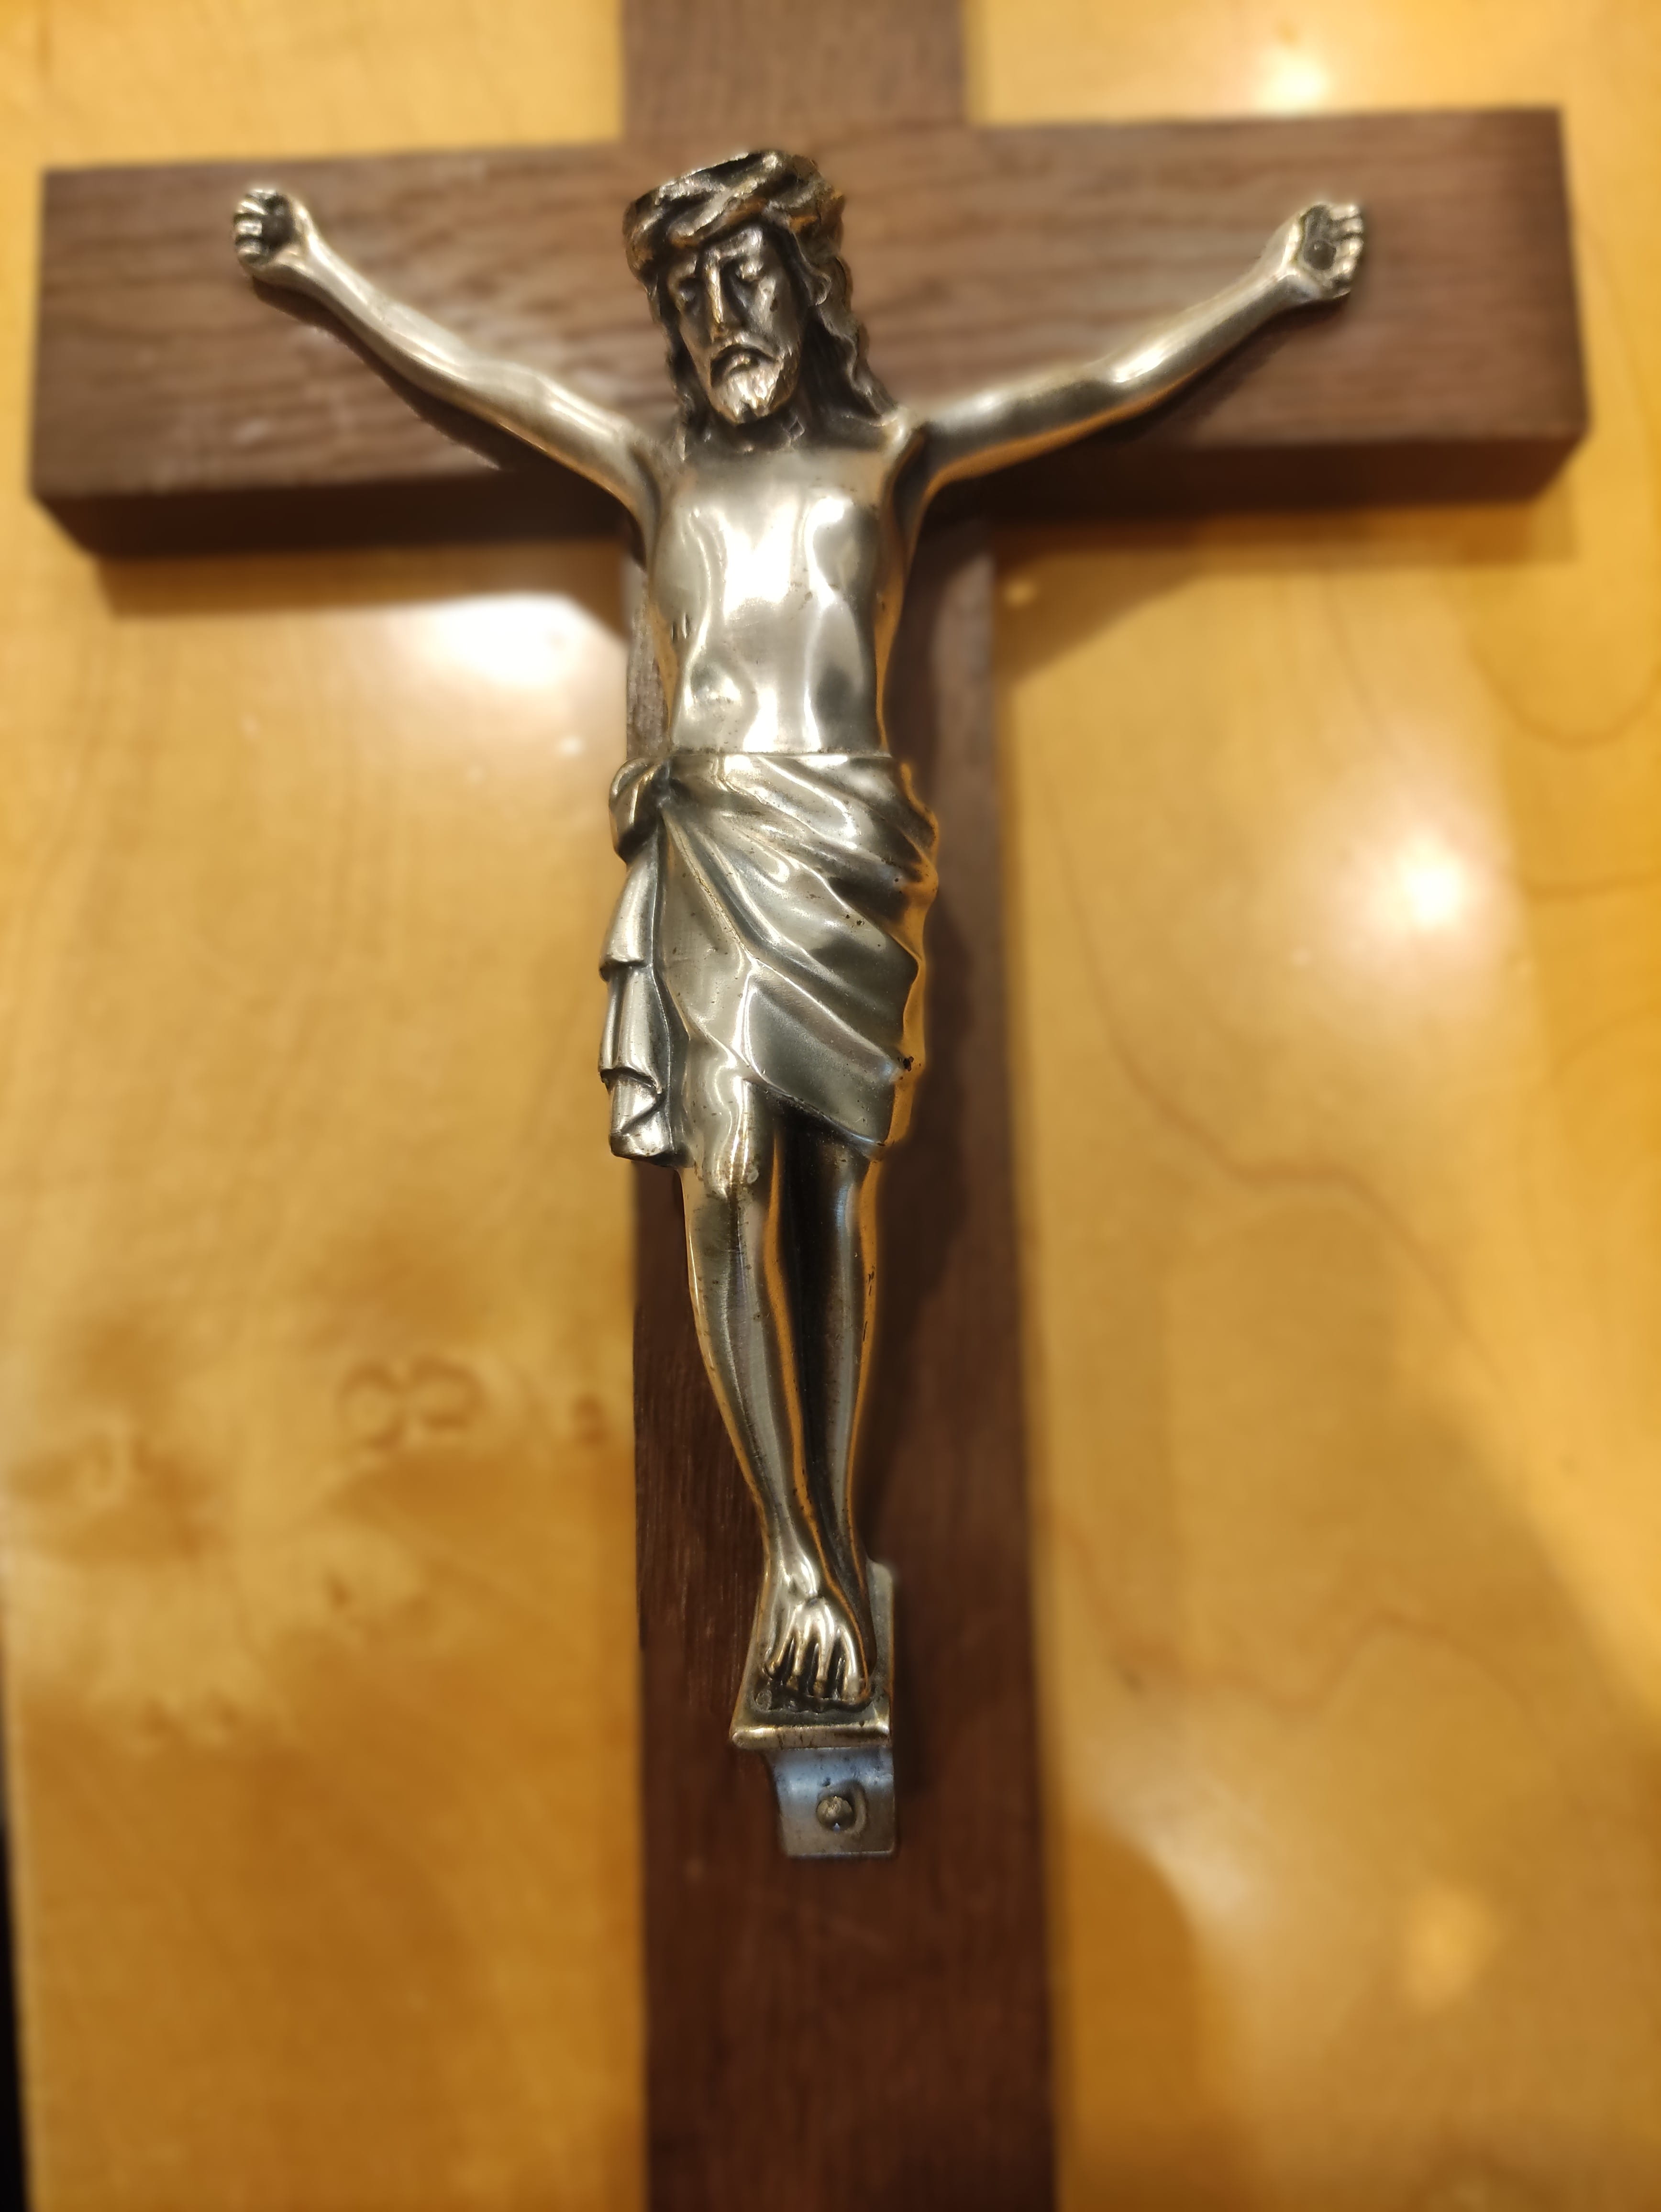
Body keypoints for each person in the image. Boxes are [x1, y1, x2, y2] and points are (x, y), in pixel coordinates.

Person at [234, 151, 1363, 1710]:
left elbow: (1101, 385)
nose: (722, 318)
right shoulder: (659, 470)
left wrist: (1269, 289)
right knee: (720, 1187)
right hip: (710, 844)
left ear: (809, 291)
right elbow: (490, 382)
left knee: (832, 1205)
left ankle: (825, 1542)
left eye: (747, 278)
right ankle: (792, 1555)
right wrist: (325, 274)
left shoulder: (892, 458)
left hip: (843, 858)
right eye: (691, 296)